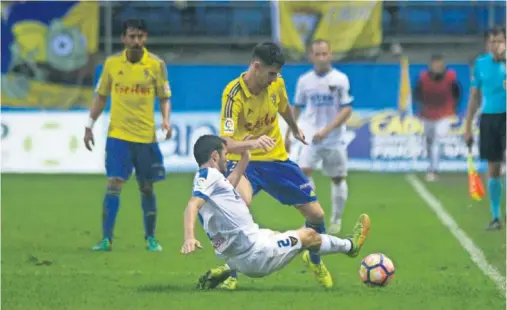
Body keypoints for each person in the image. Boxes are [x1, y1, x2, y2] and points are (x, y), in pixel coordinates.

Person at [180, 135, 371, 290]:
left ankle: (226, 271)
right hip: (257, 254)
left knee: (277, 235)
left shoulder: (210, 182)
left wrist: (245, 157)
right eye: (225, 154)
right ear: (214, 156)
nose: (227, 158)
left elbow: (231, 183)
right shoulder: (209, 177)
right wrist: (189, 237)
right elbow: (191, 206)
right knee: (309, 235)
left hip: (240, 254)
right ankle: (350, 246)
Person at [217, 42, 334, 289]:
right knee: (240, 205)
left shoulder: (276, 83)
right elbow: (225, 142)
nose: (275, 79)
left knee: (317, 215)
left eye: (277, 73)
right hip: (244, 161)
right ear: (256, 66)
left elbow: (284, 107)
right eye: (271, 73)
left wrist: (293, 127)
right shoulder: (233, 94)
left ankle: (314, 260)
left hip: (277, 159)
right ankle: (231, 272)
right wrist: (252, 143)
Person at [84, 19, 172, 251]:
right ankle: (106, 239)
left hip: (146, 137)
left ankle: (151, 238)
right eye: (131, 36)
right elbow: (101, 96)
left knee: (146, 188)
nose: (136, 41)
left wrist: (165, 119)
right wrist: (89, 124)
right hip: (118, 136)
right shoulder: (112, 64)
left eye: (140, 36)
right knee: (114, 183)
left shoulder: (156, 65)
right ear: (123, 39)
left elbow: (164, 96)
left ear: (146, 38)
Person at [285, 39, 353, 234]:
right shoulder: (304, 81)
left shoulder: (340, 79)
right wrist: (288, 134)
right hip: (310, 135)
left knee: (338, 178)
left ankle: (336, 219)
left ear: (330, 54)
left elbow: (346, 109)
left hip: (334, 138)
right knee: (303, 173)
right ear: (311, 56)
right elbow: (296, 108)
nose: (322, 58)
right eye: (318, 54)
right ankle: (316, 215)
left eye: (325, 54)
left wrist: (327, 130)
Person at [464, 26, 506, 230]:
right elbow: (474, 96)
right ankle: (496, 216)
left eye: (500, 41)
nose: (496, 45)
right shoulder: (480, 64)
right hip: (489, 118)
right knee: (494, 168)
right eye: (492, 41)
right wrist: (467, 126)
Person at [413, 54, 461, 182]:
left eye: (440, 65)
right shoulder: (423, 78)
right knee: (428, 141)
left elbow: (457, 92)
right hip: (428, 113)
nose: (437, 67)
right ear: (431, 65)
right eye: (435, 65)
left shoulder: (451, 77)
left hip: (445, 113)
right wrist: (420, 106)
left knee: (438, 138)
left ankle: (434, 169)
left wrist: (454, 108)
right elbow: (417, 93)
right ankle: (432, 163)